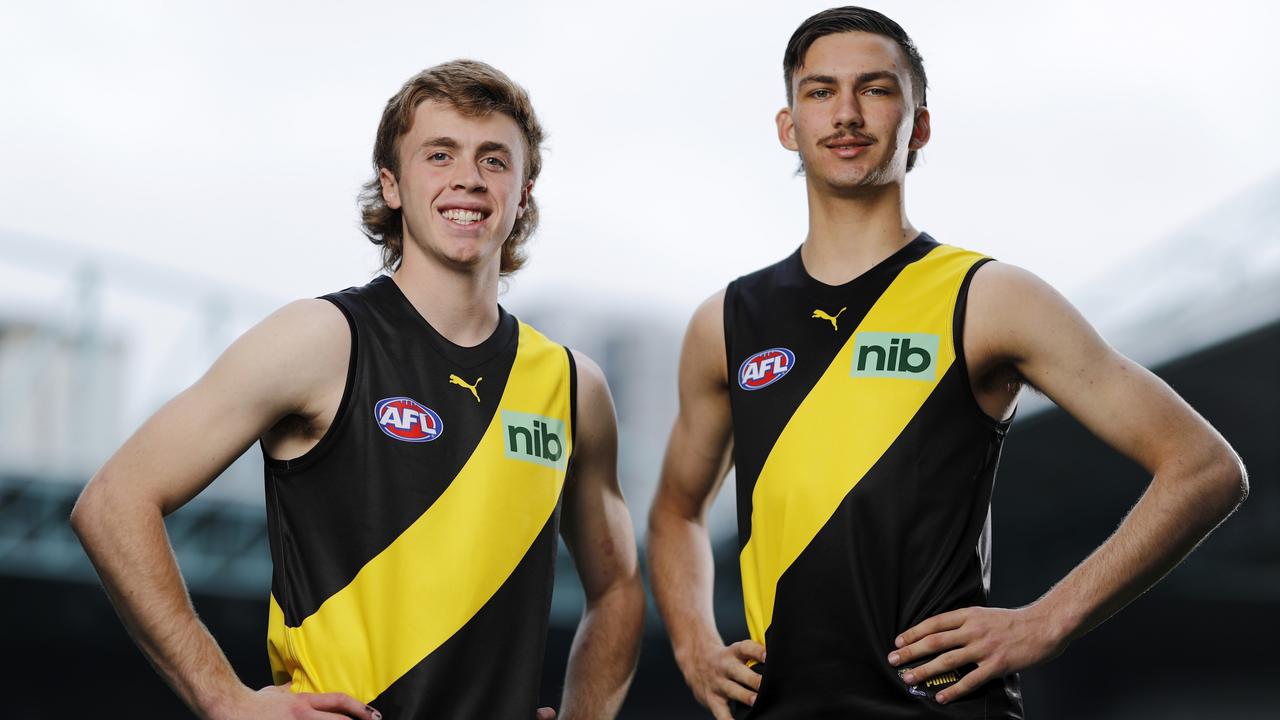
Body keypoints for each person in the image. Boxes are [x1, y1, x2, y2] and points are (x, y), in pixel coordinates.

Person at [647, 7, 1248, 718]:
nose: (845, 113)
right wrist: (694, 647)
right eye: (819, 92)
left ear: (919, 125)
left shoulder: (989, 298)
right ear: (788, 127)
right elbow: (676, 512)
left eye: (874, 89)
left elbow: (1205, 468)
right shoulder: (726, 321)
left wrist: (1047, 621)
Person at [71, 60, 644, 720]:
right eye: (440, 154)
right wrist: (223, 700)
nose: (468, 177)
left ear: (523, 193)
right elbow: (114, 502)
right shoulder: (320, 340)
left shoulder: (572, 387)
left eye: (494, 160)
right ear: (392, 185)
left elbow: (621, 584)